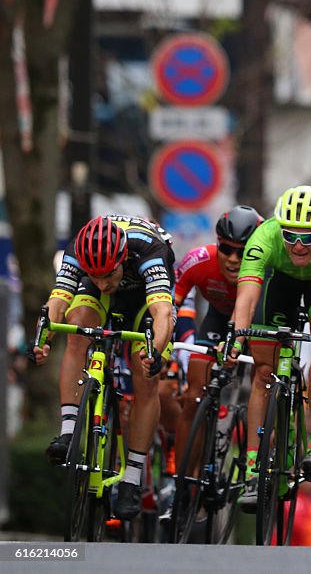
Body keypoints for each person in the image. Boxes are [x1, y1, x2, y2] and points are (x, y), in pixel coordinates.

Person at [36, 215, 176, 520]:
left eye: (107, 274)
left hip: (144, 300)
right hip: (100, 295)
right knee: (77, 330)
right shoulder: (79, 251)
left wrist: (154, 352)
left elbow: (162, 311)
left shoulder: (150, 251)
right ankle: (68, 433)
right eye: (94, 274)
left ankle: (132, 479)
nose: (102, 282)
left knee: (146, 377)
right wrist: (43, 337)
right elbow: (57, 302)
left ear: (122, 257)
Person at [230, 186, 311, 508]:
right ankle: (251, 470)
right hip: (280, 281)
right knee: (263, 372)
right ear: (279, 229)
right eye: (290, 236)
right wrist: (235, 337)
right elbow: (246, 297)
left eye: (309, 237)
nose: (298, 245)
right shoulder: (265, 237)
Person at [172, 206, 263, 478]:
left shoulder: (269, 269)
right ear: (217, 244)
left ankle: (258, 468)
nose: (233, 259)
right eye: (226, 249)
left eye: (242, 251)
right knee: (193, 396)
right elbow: (168, 307)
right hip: (219, 320)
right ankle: (184, 483)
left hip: (259, 323)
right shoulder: (198, 261)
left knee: (266, 382)